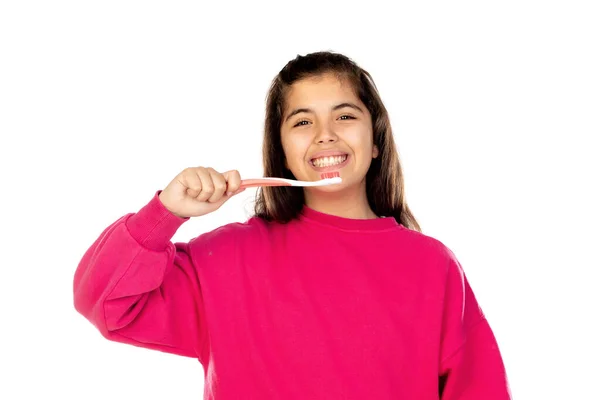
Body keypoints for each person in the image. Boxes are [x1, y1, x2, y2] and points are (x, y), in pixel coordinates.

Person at [73, 51, 511, 399]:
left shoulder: (432, 266)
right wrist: (165, 212)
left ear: (375, 141)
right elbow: (105, 303)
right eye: (302, 121)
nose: (325, 134)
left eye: (345, 116)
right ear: (281, 149)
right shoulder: (223, 259)